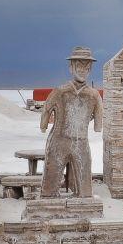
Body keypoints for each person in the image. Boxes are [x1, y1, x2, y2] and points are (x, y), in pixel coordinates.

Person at [39, 47, 102, 198]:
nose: (83, 70)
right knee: (49, 189)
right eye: (79, 66)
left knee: (85, 191)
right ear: (71, 67)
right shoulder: (60, 91)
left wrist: (96, 122)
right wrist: (43, 124)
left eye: (87, 67)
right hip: (58, 142)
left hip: (81, 143)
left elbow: (98, 123)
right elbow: (46, 111)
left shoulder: (94, 96)